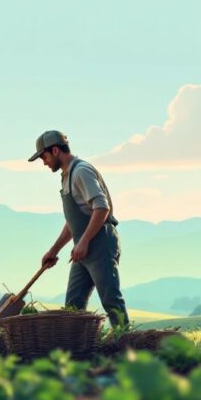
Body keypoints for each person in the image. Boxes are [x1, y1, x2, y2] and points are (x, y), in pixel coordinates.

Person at [29, 131, 130, 327]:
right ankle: (77, 351)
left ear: (55, 150)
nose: (44, 162)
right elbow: (73, 222)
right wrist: (53, 250)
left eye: (44, 157)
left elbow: (101, 207)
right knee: (73, 307)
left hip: (100, 243)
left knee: (111, 300)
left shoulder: (81, 171)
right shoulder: (66, 176)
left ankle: (126, 346)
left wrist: (84, 242)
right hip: (82, 248)